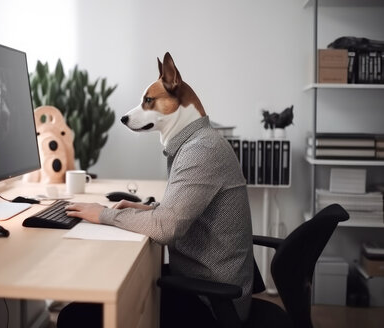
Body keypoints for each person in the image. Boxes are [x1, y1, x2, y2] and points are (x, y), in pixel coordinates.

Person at [58, 53, 253, 327]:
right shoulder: (197, 143)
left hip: (211, 303)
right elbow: (182, 215)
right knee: (116, 288)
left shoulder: (201, 150)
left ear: (175, 90)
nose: (135, 113)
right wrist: (150, 210)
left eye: (149, 102)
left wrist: (103, 214)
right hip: (203, 282)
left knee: (74, 317)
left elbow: (166, 229)